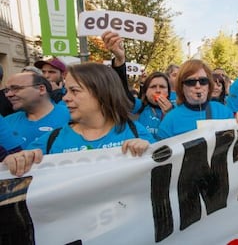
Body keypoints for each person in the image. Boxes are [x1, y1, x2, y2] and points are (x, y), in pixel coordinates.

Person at [3, 62, 156, 177]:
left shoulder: (136, 132)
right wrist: (16, 160)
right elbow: (17, 171)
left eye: (74, 91)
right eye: (67, 90)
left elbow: (161, 169)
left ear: (101, 93)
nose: (65, 98)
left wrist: (148, 150)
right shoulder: (51, 141)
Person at [157, 59, 238, 140]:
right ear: (181, 86)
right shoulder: (169, 121)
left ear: (209, 85)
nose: (198, 86)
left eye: (203, 81)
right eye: (191, 82)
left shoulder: (224, 112)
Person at [4, 72, 70, 148]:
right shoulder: (7, 123)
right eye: (6, 90)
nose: (8, 95)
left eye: (16, 88)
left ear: (41, 89)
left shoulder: (71, 116)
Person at [135, 71, 173, 140]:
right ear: (146, 91)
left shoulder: (176, 111)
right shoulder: (138, 107)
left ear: (168, 91)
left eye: (162, 87)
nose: (158, 90)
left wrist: (169, 115)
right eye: (153, 87)